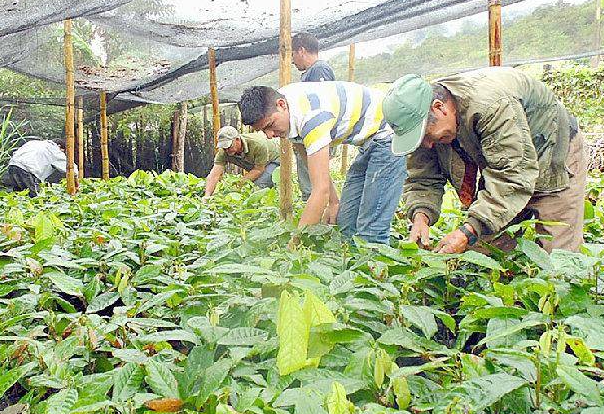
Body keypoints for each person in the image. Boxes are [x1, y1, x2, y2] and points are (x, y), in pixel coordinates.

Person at [383, 67, 586, 254]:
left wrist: (469, 230)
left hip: (552, 151)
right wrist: (421, 216)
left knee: (559, 254)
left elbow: (512, 176)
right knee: (486, 249)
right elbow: (422, 177)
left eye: (427, 136)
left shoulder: (490, 105)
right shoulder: (421, 120)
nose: (427, 145)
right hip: (504, 162)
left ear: (439, 108)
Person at [239, 81, 405, 244]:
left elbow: (321, 191)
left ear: (281, 105)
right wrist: (333, 202)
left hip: (389, 134)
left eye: (270, 125)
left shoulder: (311, 118)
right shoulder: (284, 107)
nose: (269, 135)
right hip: (367, 142)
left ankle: (376, 257)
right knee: (345, 223)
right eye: (263, 130)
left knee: (371, 230)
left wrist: (295, 244)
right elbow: (308, 157)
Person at [291, 33, 336, 201]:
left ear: (301, 51)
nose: (292, 61)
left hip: (316, 136)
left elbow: (320, 106)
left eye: (293, 55)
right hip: (311, 137)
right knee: (311, 176)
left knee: (315, 181)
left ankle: (317, 208)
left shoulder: (319, 70)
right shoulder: (311, 72)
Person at [204, 126, 281, 196]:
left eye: (229, 146)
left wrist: (239, 184)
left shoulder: (257, 144)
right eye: (224, 147)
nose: (227, 150)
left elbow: (258, 170)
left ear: (237, 140)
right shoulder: (223, 152)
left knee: (258, 187)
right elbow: (214, 175)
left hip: (275, 159)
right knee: (248, 188)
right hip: (258, 164)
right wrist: (207, 196)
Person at [1, 139, 68, 196]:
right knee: (34, 196)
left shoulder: (34, 143)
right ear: (59, 146)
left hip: (12, 166)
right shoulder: (54, 148)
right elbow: (67, 166)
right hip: (25, 170)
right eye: (63, 151)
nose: (63, 153)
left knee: (19, 194)